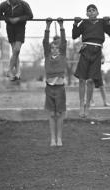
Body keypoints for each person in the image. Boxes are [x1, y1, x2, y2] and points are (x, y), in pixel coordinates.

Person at [73, 4, 110, 117]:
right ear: (86, 14)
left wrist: (108, 23)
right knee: (82, 79)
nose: (91, 12)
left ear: (97, 12)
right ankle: (81, 104)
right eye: (89, 11)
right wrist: (75, 24)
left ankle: (88, 105)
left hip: (96, 52)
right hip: (86, 50)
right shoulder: (85, 23)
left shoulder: (101, 23)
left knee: (91, 80)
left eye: (93, 10)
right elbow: (74, 35)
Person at [0, 0, 33, 81]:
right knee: (15, 52)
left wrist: (18, 19)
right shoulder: (3, 5)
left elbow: (30, 16)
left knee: (16, 50)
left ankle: (9, 70)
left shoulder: (24, 4)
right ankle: (18, 72)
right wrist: (8, 19)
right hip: (10, 29)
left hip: (20, 29)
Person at [43, 17, 67, 147]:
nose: (54, 49)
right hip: (49, 89)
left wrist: (61, 25)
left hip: (60, 89)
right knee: (52, 114)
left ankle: (59, 138)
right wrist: (47, 27)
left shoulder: (62, 56)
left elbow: (63, 42)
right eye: (52, 47)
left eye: (56, 47)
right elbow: (45, 42)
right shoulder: (47, 57)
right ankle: (52, 139)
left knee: (59, 114)